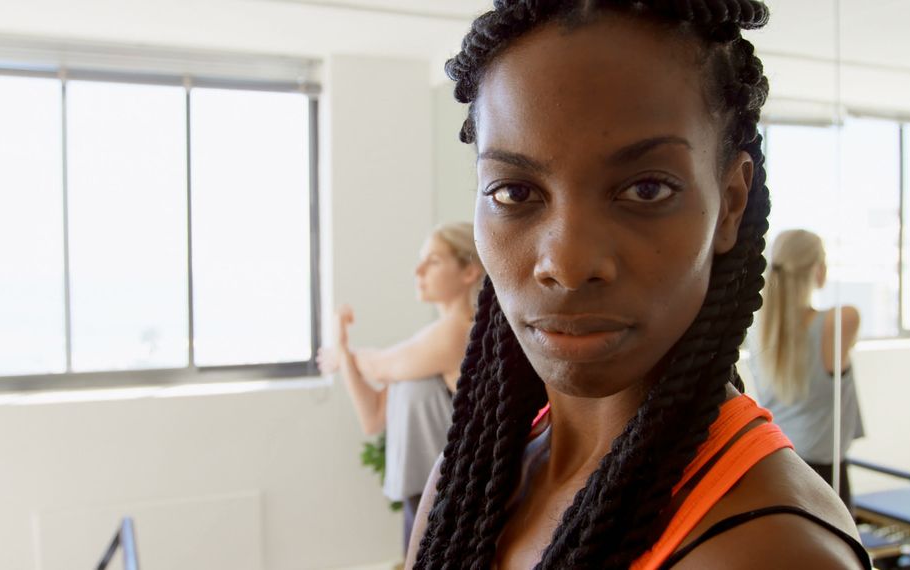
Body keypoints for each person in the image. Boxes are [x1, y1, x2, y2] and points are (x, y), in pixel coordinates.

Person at [406, 1, 872, 569]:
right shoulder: (466, 481)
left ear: (729, 205)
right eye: (514, 192)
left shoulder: (770, 552)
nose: (568, 263)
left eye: (647, 189)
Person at [316, 222, 483, 556]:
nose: (417, 270)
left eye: (433, 261)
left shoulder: (459, 332)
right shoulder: (425, 344)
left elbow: (380, 365)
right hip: (420, 499)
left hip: (454, 504)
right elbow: (373, 418)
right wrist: (344, 350)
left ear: (469, 271)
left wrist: (346, 355)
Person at [751, 229, 865, 512]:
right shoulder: (839, 321)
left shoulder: (760, 332)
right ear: (817, 269)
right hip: (822, 474)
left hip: (777, 464)